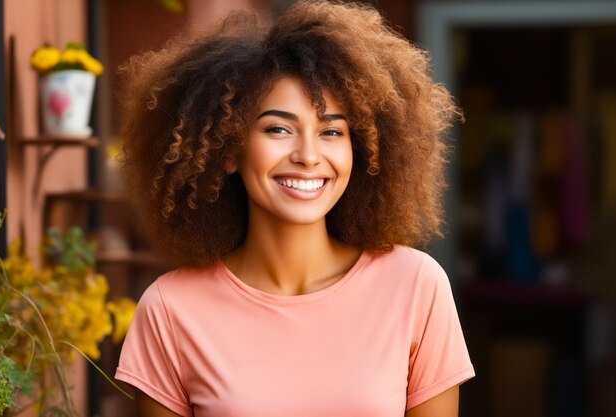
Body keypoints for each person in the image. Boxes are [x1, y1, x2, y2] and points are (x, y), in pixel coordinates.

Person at [114, 1, 475, 416]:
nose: (308, 155)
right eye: (278, 129)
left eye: (331, 131)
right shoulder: (170, 309)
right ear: (227, 150)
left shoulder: (415, 288)